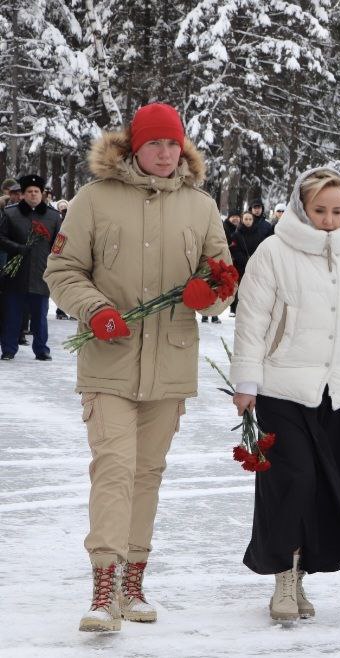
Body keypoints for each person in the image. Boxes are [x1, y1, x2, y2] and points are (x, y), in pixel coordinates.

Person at [44, 103, 234, 632]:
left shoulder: (200, 207)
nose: (165, 153)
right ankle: (104, 588)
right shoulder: (94, 198)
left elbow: (223, 277)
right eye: (155, 144)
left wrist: (210, 294)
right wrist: (94, 309)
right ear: (135, 147)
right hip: (109, 360)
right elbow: (62, 269)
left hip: (169, 363)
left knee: (147, 473)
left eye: (173, 144)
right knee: (113, 467)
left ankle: (133, 582)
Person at [230, 167, 340, 621]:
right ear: (302, 207)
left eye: (337, 211)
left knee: (322, 488)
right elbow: (252, 319)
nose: (329, 219)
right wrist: (246, 381)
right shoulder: (273, 251)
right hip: (282, 388)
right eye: (320, 210)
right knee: (292, 482)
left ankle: (300, 575)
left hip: (335, 393)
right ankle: (283, 575)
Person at [0, 174, 62, 360]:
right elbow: (1, 238)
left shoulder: (53, 216)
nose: (33, 194)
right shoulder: (10, 214)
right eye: (29, 191)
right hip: (16, 273)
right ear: (23, 194)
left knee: (40, 315)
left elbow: (59, 243)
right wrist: (17, 248)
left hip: (41, 272)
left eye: (36, 191)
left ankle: (41, 349)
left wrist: (55, 261)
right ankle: (9, 349)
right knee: (12, 314)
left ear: (42, 194)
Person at [229, 208, 270, 318]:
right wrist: (244, 260)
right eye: (246, 219)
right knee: (240, 288)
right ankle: (235, 308)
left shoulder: (258, 234)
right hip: (240, 266)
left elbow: (261, 248)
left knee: (253, 288)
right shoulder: (236, 234)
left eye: (250, 219)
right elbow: (234, 250)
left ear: (253, 220)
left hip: (255, 266)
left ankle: (252, 309)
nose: (248, 221)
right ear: (242, 220)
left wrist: (255, 260)